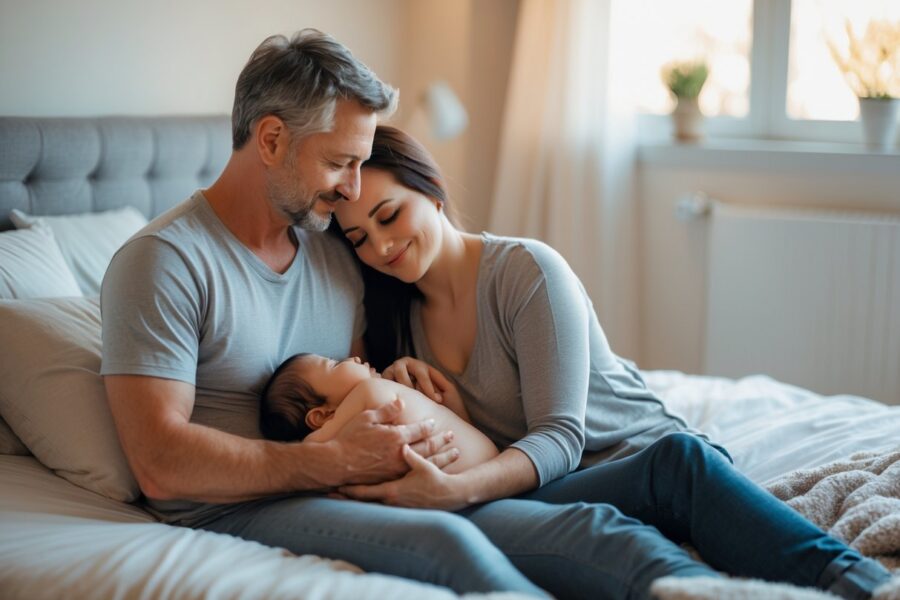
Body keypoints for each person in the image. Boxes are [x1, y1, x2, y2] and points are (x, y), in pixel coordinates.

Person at [329, 125, 895, 600]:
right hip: (549, 493)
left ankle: (860, 584)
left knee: (681, 457)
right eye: (358, 237)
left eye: (389, 215)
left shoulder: (525, 270)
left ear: (430, 190)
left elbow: (561, 437)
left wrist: (459, 492)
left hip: (642, 464)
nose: (379, 247)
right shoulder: (394, 325)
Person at [100, 29, 548, 597]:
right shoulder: (163, 263)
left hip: (344, 485)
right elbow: (159, 461)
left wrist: (398, 376)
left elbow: (355, 381)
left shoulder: (334, 248)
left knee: (557, 523)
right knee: (446, 544)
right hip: (228, 509)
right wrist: (335, 461)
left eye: (360, 164)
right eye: (340, 162)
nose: (353, 189)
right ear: (270, 140)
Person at [259, 353, 499, 474]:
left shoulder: (373, 392)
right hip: (484, 466)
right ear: (320, 416)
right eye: (334, 364)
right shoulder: (366, 392)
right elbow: (311, 449)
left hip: (481, 473)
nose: (352, 357)